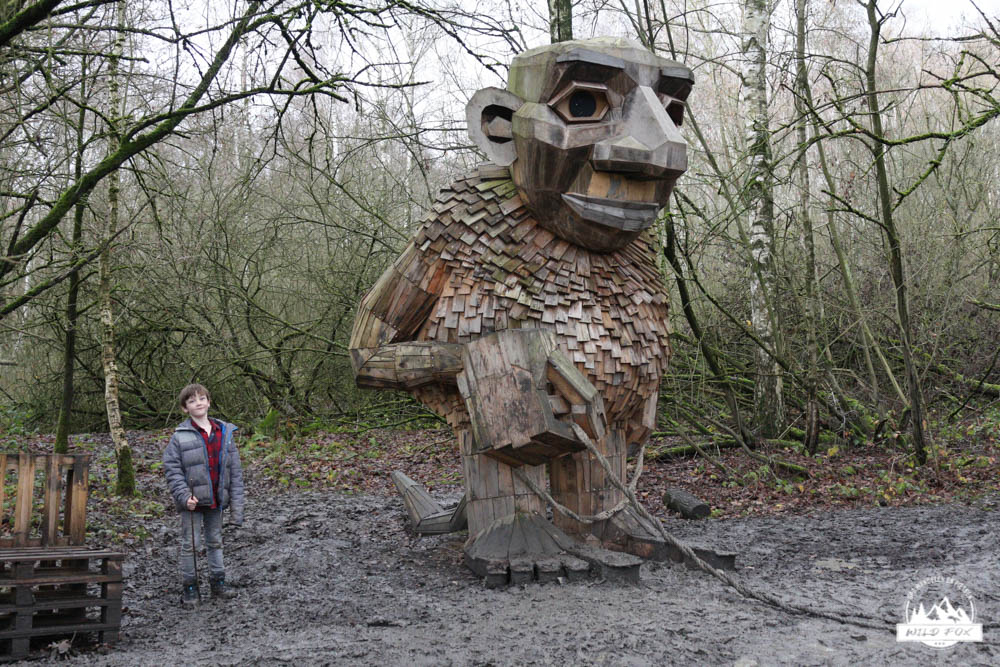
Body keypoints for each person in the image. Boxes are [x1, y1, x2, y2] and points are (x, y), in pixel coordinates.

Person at [162, 383, 245, 605]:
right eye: (192, 401)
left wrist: (237, 509)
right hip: (191, 503)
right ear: (185, 408)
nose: (198, 403)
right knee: (190, 545)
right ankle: (190, 588)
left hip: (216, 500)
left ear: (209, 402)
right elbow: (172, 469)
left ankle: (218, 583)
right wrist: (183, 496)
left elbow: (235, 472)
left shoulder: (225, 433)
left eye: (201, 399)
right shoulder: (179, 437)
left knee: (215, 542)